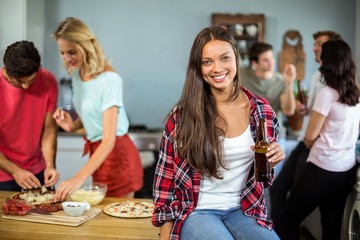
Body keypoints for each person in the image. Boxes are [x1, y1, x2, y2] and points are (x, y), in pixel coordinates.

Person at [152, 26, 285, 240]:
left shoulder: (262, 111)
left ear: (236, 58)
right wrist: (165, 236)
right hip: (197, 212)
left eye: (224, 58)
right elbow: (164, 184)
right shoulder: (181, 119)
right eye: (207, 62)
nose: (217, 68)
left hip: (244, 209)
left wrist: (273, 159)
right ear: (198, 67)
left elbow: (264, 179)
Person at [52, 17, 143, 201]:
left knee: (117, 220)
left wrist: (78, 177)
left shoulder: (109, 80)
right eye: (62, 53)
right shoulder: (77, 75)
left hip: (117, 155)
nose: (66, 59)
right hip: (98, 156)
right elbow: (92, 118)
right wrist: (72, 125)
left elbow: (108, 139)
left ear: (87, 45)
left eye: (72, 52)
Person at [277, 39, 360, 240]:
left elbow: (310, 136)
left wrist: (310, 139)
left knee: (286, 222)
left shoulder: (327, 93)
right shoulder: (355, 93)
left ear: (327, 62)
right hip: (346, 170)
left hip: (322, 169)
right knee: (331, 228)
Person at [269, 31, 343, 228]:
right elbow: (313, 111)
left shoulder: (336, 81)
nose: (314, 47)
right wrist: (305, 108)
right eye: (315, 43)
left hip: (315, 148)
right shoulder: (317, 76)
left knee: (321, 216)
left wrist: (312, 137)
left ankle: (281, 231)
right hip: (306, 143)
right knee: (277, 188)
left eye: (319, 44)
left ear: (332, 49)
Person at [0, 41, 59, 191]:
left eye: (31, 80)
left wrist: (50, 165)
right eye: (19, 82)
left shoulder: (48, 81)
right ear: (7, 70)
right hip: (3, 174)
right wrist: (15, 171)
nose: (26, 87)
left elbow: (49, 129)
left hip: (37, 170)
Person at [241, 42, 297, 119]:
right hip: (249, 126)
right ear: (255, 63)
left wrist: (289, 83)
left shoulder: (281, 80)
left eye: (272, 58)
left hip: (273, 127)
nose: (271, 62)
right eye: (265, 60)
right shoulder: (243, 77)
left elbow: (289, 111)